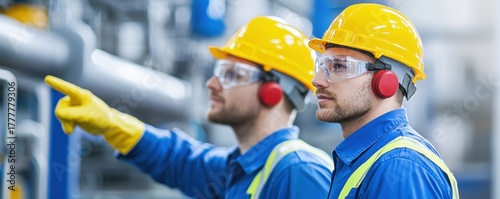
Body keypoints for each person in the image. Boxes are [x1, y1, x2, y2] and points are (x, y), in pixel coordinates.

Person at [44, 16, 334, 199]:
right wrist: (112, 123)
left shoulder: (298, 172)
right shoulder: (244, 168)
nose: (211, 83)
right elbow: (179, 160)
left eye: (232, 74)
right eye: (219, 71)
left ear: (273, 92)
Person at [308, 3, 459, 198]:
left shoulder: (400, 167)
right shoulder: (365, 160)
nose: (317, 80)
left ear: (386, 81)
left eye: (339, 66)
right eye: (321, 66)